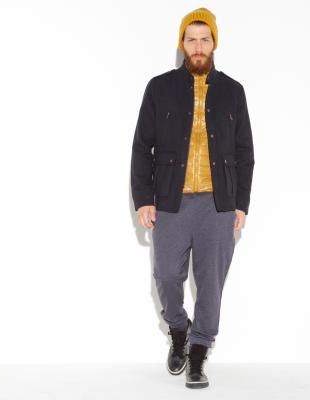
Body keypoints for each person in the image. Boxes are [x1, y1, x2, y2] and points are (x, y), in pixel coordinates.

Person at [130, 7, 255, 389]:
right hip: (171, 200)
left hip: (218, 203)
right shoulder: (159, 88)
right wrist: (144, 198)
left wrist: (241, 204)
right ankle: (179, 330)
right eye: (191, 40)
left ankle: (199, 351)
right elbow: (142, 147)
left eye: (204, 39)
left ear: (214, 43)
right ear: (181, 44)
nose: (198, 47)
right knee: (166, 275)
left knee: (211, 283)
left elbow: (245, 152)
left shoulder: (233, 91)